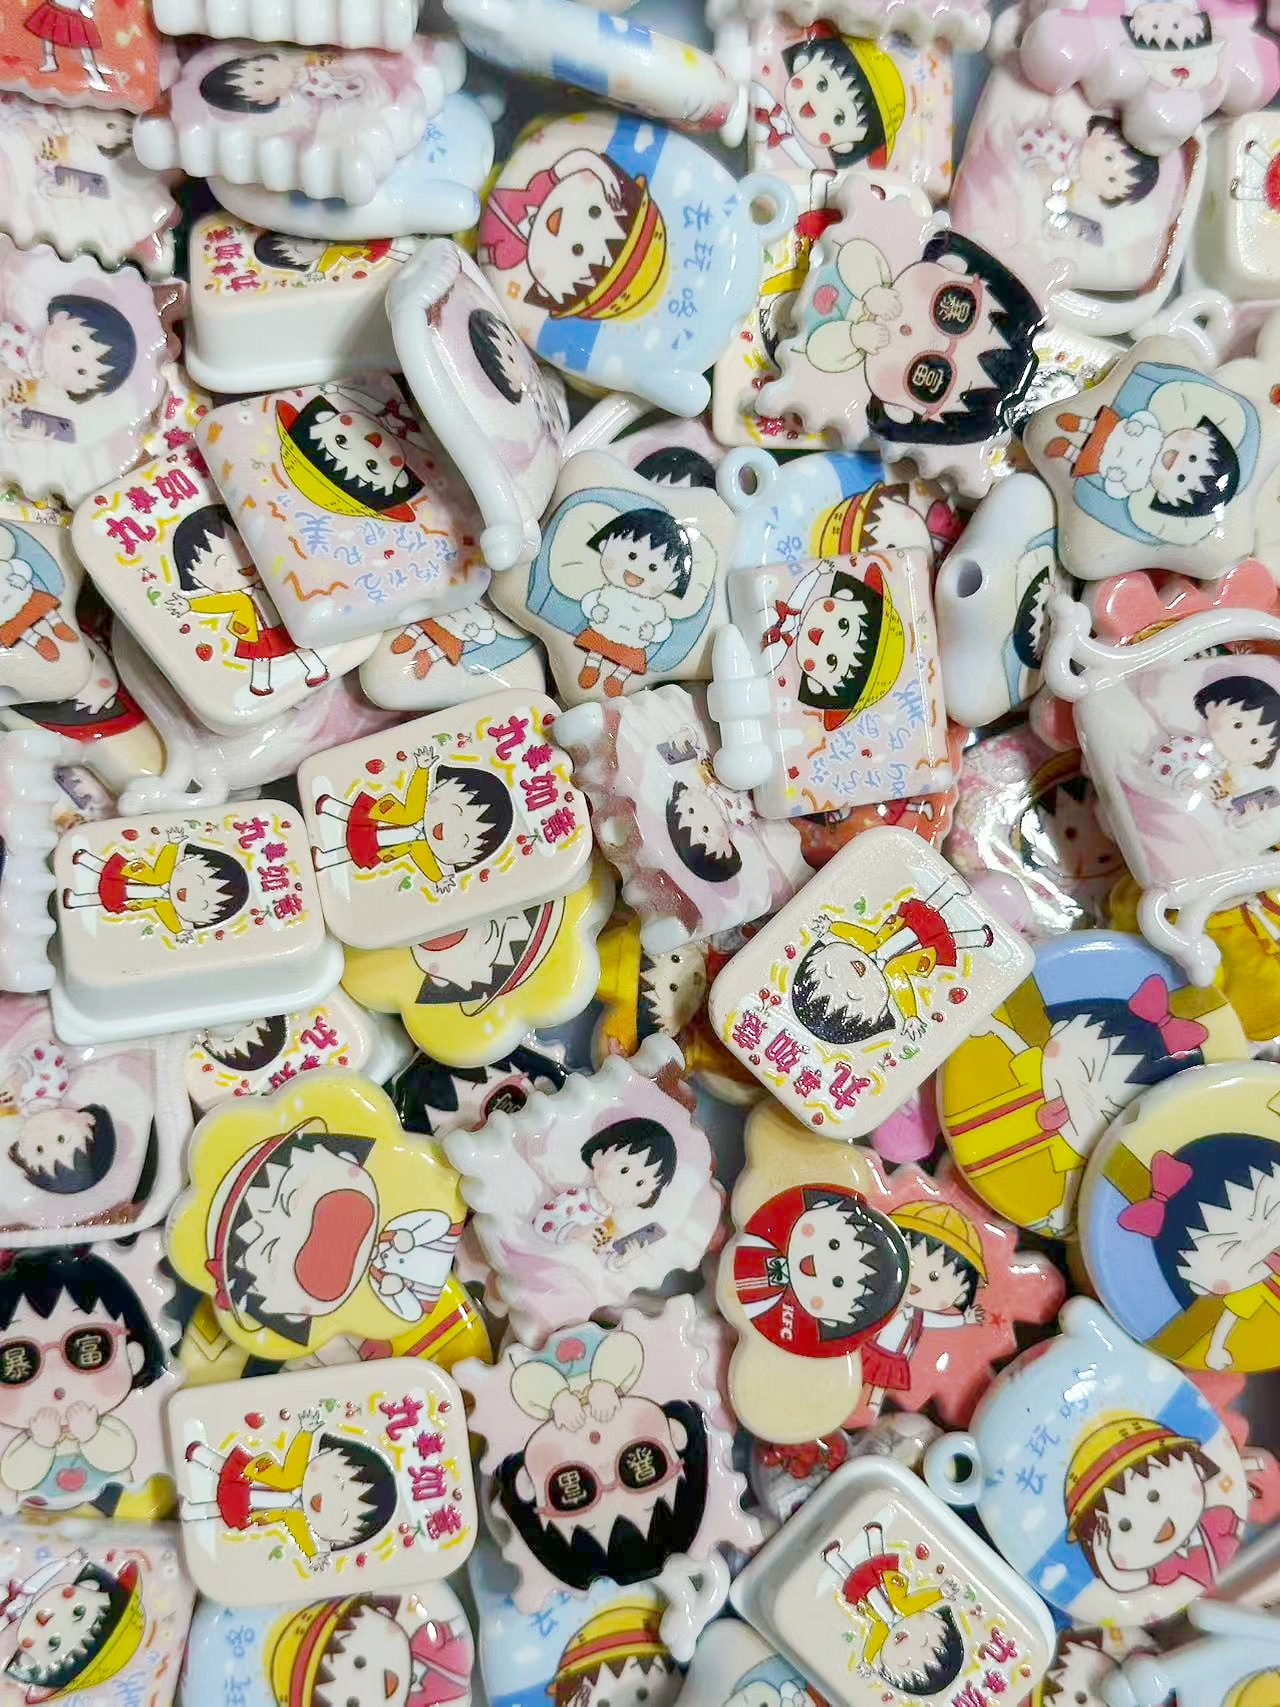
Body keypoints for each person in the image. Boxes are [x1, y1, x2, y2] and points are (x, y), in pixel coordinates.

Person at [181, 1412, 398, 1568]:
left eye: (341, 1518)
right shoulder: (293, 1476)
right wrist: (305, 1433)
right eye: (336, 1481)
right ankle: (199, 1454)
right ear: (327, 1451)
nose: (327, 1502)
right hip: (254, 1476)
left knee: (220, 1509)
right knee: (224, 1467)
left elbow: (300, 1533)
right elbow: (296, 1460)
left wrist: (312, 1554)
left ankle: (192, 1511)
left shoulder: (295, 1516)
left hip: (249, 1508)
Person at [1066, 1415, 1239, 1592]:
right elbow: (1123, 1582)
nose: (1153, 1522)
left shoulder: (1217, 1517)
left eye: (1154, 1496)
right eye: (1125, 1525)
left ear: (1196, 1468)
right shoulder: (1162, 1567)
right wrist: (1103, 1556)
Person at [822, 1522, 966, 1697]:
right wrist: (939, 1593)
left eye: (905, 1662)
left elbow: (874, 1642)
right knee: (879, 1561)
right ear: (938, 1620)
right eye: (923, 1641)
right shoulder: (908, 1608)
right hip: (889, 1583)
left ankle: (834, 1560)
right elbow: (921, 1600)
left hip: (866, 1597)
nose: (907, 1644)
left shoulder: (882, 1628)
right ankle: (874, 1537)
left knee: (851, 1578)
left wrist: (867, 1660)